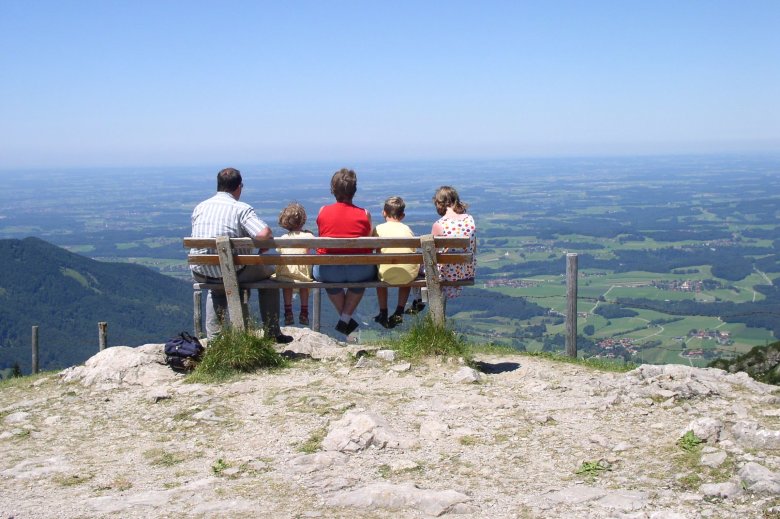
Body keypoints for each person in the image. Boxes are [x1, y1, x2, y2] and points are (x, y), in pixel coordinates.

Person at [190, 167, 292, 343]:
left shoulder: (200, 207)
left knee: (217, 287)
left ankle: (214, 339)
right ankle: (272, 332)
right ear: (238, 187)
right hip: (234, 271)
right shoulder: (241, 209)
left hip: (202, 271)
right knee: (269, 279)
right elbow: (263, 233)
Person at [313, 168, 375, 336]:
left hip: (328, 270)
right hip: (360, 270)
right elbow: (368, 241)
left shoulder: (323, 211)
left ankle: (345, 318)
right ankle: (345, 318)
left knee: (329, 281)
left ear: (333, 189)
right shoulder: (364, 214)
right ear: (354, 190)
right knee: (359, 283)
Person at [372, 196, 420, 328]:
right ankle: (399, 311)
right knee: (406, 269)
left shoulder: (378, 229)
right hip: (408, 274)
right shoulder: (407, 229)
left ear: (384, 213)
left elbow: (372, 249)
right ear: (403, 215)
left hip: (386, 274)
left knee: (379, 277)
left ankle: (383, 311)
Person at [431, 186, 476, 299]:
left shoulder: (439, 224)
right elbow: (473, 247)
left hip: (447, 273)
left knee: (419, 267)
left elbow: (431, 255)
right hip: (466, 271)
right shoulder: (469, 219)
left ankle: (419, 300)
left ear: (439, 203)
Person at [275, 202, 315, 326]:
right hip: (303, 275)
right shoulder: (308, 236)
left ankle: (288, 312)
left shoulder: (282, 238)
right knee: (304, 286)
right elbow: (316, 247)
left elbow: (278, 252)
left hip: (285, 274)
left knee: (287, 284)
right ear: (302, 220)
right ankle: (304, 312)